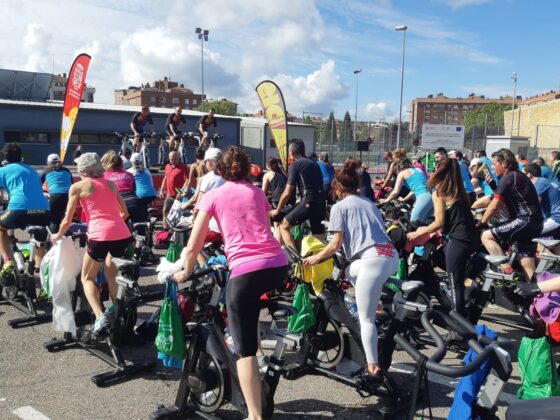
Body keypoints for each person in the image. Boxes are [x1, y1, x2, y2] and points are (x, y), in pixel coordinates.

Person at [173, 146, 288, 420]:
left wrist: (184, 272)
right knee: (248, 316)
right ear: (248, 168)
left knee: (243, 352)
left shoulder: (212, 195)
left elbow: (193, 245)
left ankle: (255, 416)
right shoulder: (257, 192)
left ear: (218, 169)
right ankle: (260, 353)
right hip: (277, 264)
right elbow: (258, 223)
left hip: (246, 270)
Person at [304, 159, 398, 379]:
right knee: (350, 271)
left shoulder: (339, 207)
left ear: (337, 187)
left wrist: (315, 258)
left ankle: (373, 365)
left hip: (372, 260)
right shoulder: (369, 203)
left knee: (366, 320)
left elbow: (335, 245)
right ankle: (378, 302)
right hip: (390, 256)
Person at [51, 153, 131, 337]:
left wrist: (58, 235)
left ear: (83, 170)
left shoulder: (78, 187)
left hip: (99, 236)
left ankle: (100, 317)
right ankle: (119, 315)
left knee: (87, 278)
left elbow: (67, 220)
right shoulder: (111, 184)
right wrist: (112, 225)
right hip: (121, 233)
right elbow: (124, 213)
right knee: (112, 276)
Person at [407, 158, 480, 322]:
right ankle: (463, 279)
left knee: (456, 284)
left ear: (438, 171)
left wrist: (417, 234)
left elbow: (439, 223)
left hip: (460, 240)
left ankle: (459, 327)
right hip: (472, 238)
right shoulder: (460, 191)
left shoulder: (439, 192)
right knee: (438, 257)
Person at [479, 148, 543, 280]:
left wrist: (481, 222)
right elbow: (504, 204)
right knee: (526, 262)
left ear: (504, 164)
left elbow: (494, 206)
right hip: (535, 223)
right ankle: (533, 295)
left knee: (486, 236)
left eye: (494, 163)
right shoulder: (517, 176)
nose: (492, 166)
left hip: (525, 221)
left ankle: (507, 272)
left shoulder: (509, 177)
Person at [0, 144, 50, 278]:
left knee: (1, 228)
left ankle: (7, 262)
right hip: (43, 210)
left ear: (5, 157)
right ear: (21, 156)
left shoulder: (3, 170)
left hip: (18, 209)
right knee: (41, 239)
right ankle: (39, 270)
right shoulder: (32, 170)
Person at [269, 139, 325, 250]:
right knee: (318, 236)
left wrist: (278, 209)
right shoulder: (314, 164)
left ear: (291, 152)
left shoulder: (296, 165)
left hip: (308, 202)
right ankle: (317, 262)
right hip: (320, 203)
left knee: (284, 226)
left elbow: (287, 191)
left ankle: (295, 260)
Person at [379, 158, 434, 225]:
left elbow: (395, 191)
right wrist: (405, 199)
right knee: (425, 225)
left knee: (412, 224)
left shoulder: (402, 173)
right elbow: (415, 189)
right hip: (433, 197)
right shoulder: (418, 170)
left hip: (422, 198)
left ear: (398, 167)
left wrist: (386, 200)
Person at [101, 150, 144, 224]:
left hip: (120, 204)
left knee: (120, 232)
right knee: (140, 232)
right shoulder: (129, 174)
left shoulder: (104, 176)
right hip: (135, 202)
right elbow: (134, 190)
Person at [523, 163, 560, 241]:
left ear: (529, 174)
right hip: (553, 217)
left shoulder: (540, 183)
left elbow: (534, 205)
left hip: (555, 218)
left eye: (523, 174)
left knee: (529, 233)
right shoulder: (543, 181)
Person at [40, 153, 73, 233]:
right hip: (69, 196)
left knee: (54, 220)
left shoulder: (46, 170)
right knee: (66, 219)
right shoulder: (67, 170)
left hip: (55, 195)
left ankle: (54, 242)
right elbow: (72, 183)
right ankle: (67, 240)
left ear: (48, 163)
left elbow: (37, 184)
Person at [262, 157, 292, 242]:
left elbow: (263, 193)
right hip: (289, 201)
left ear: (268, 165)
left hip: (278, 202)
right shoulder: (283, 173)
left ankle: (279, 246)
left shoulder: (268, 174)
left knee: (277, 225)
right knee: (284, 226)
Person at [160, 151, 189, 230]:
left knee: (178, 215)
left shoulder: (184, 167)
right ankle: (165, 230)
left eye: (175, 159)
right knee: (165, 211)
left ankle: (176, 231)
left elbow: (187, 181)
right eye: (172, 159)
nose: (173, 161)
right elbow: (166, 177)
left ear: (178, 158)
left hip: (179, 197)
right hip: (169, 195)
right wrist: (162, 188)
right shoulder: (167, 166)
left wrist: (181, 192)